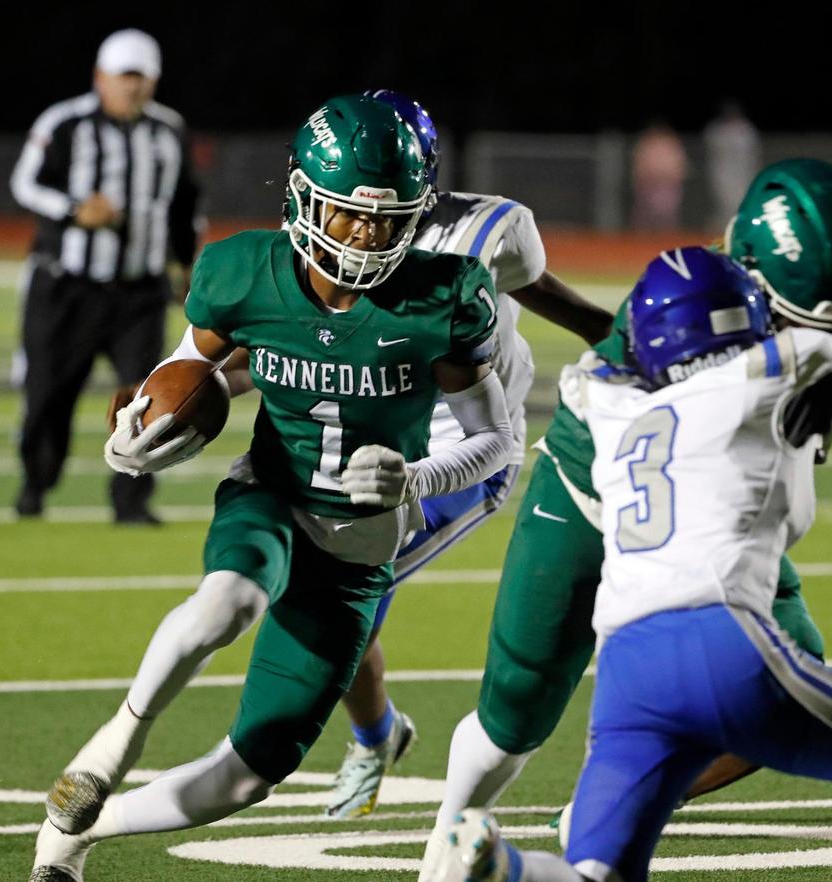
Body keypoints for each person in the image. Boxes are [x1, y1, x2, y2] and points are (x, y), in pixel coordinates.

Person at [417, 158, 832, 880]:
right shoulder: (691, 306)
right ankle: (450, 832)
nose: (827, 325)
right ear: (752, 273)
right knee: (519, 704)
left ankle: (599, 816)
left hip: (695, 532)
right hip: (590, 487)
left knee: (792, 652)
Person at [28, 93, 515, 882]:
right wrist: (137, 435)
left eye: (389, 219)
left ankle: (74, 838)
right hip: (273, 493)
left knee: (252, 773)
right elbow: (182, 375)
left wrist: (417, 475)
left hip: (358, 549)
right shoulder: (243, 271)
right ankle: (114, 741)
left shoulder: (442, 297)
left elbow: (498, 441)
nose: (368, 235)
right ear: (301, 196)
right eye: (350, 214)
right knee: (230, 600)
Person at [319, 89, 614, 820]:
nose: (365, 222)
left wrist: (620, 338)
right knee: (333, 608)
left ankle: (373, 736)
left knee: (336, 605)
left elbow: (538, 288)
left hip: (464, 449)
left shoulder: (491, 227)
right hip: (373, 440)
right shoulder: (331, 223)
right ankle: (379, 731)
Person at [9, 28, 202, 524]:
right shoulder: (66, 122)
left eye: (142, 78)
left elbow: (184, 206)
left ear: (154, 81)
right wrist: (74, 209)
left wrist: (187, 264)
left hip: (138, 292)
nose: (132, 88)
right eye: (124, 77)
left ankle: (131, 500)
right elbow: (25, 183)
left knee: (148, 396)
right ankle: (36, 484)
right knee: (48, 393)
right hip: (65, 286)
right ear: (101, 77)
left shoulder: (169, 130)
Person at [702, 99, 760, 233]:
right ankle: (721, 232)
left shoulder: (746, 129)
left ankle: (738, 232)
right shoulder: (716, 129)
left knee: (741, 204)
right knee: (724, 205)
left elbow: (753, 154)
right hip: (722, 173)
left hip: (743, 174)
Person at [629, 120, 688, 230]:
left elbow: (679, 166)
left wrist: (673, 178)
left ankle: (667, 240)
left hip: (668, 186)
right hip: (648, 186)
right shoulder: (645, 144)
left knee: (667, 217)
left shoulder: (672, 144)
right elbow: (639, 166)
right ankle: (640, 242)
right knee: (644, 218)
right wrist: (642, 179)